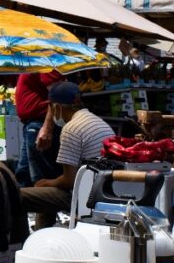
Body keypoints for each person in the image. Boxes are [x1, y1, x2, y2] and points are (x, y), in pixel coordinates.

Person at [20, 82, 113, 229]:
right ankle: (43, 232)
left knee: (18, 196)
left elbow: (69, 181)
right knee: (46, 190)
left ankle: (21, 242)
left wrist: (47, 183)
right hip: (101, 189)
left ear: (56, 107)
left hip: (84, 194)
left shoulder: (71, 128)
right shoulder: (98, 121)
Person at [14, 70, 64, 187]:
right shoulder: (32, 60)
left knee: (41, 178)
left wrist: (47, 127)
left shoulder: (44, 61)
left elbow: (58, 94)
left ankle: (45, 203)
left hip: (39, 125)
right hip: (32, 125)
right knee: (23, 174)